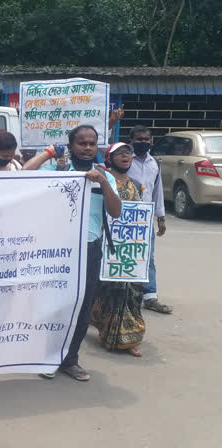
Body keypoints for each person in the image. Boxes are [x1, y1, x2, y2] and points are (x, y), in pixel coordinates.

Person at [24, 125, 122, 382]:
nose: (87, 148)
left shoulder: (104, 176)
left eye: (92, 143)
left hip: (89, 250)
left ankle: (70, 360)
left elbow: (115, 212)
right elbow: (24, 174)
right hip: (56, 250)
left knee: (82, 306)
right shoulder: (57, 171)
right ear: (71, 146)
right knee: (54, 305)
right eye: (81, 143)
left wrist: (103, 183)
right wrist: (47, 153)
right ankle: (48, 358)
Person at [90, 142, 146, 356]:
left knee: (131, 293)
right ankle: (107, 332)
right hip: (106, 244)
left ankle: (129, 339)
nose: (125, 157)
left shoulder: (137, 184)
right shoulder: (103, 180)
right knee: (107, 291)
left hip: (130, 249)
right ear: (110, 158)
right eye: (120, 154)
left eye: (128, 154)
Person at [128, 125, 172, 314]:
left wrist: (160, 218)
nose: (143, 142)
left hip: (145, 220)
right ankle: (121, 294)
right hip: (125, 218)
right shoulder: (124, 160)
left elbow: (157, 191)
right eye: (139, 139)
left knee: (148, 258)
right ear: (132, 141)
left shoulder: (155, 163)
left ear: (151, 141)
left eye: (146, 139)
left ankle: (150, 296)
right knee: (123, 256)